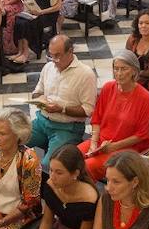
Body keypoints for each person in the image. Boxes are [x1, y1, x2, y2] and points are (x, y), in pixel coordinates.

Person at [79, 50, 149, 181]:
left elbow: (142, 134)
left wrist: (113, 147)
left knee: (87, 167)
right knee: (71, 157)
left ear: (134, 71)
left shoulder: (144, 96)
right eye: (116, 68)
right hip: (101, 141)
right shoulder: (108, 87)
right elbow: (96, 119)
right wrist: (93, 143)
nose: (119, 73)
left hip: (125, 149)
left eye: (124, 69)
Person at [27, 35, 97, 166]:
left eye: (58, 56)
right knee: (12, 141)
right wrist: (39, 100)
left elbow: (88, 110)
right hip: (41, 122)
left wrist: (62, 109)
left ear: (70, 51)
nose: (54, 60)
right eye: (50, 55)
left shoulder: (85, 74)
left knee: (49, 166)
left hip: (67, 129)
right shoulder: (48, 67)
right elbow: (38, 91)